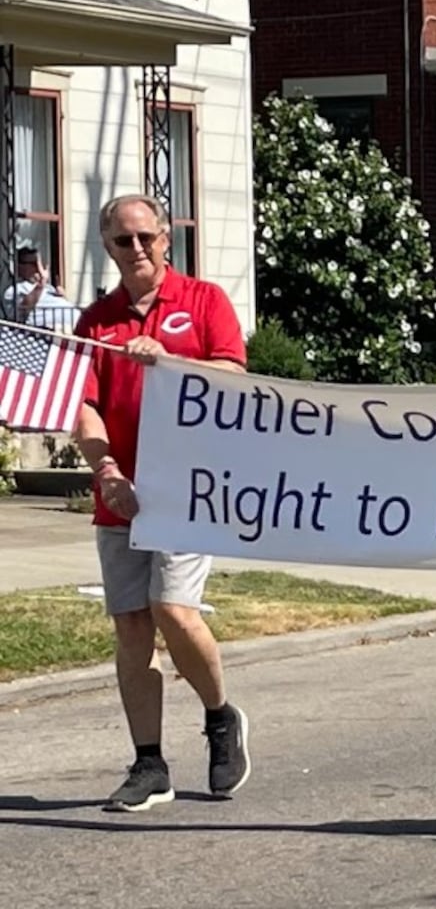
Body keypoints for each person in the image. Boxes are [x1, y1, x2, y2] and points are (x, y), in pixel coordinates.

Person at [73, 194, 251, 812]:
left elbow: (234, 377)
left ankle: (220, 717)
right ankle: (149, 763)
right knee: (131, 626)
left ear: (167, 238)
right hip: (121, 494)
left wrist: (172, 361)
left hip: (189, 487)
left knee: (173, 609)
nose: (138, 249)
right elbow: (83, 405)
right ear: (109, 247)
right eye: (124, 241)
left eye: (147, 237)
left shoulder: (204, 302)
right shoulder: (97, 321)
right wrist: (105, 470)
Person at [2, 246, 81, 331]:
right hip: (49, 333)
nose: (38, 268)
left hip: (75, 326)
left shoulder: (49, 287)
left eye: (40, 263)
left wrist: (63, 296)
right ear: (20, 266)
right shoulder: (14, 289)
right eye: (34, 263)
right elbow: (23, 309)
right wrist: (41, 284)